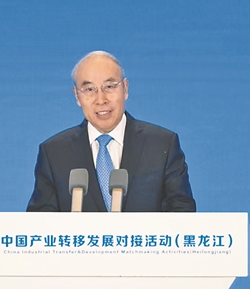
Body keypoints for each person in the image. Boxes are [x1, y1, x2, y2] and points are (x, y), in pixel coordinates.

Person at [26, 51, 196, 212]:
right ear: (77, 96)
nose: (101, 100)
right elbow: (38, 224)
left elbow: (182, 214)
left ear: (125, 89)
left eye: (109, 86)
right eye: (89, 89)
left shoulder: (161, 145)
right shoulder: (54, 153)